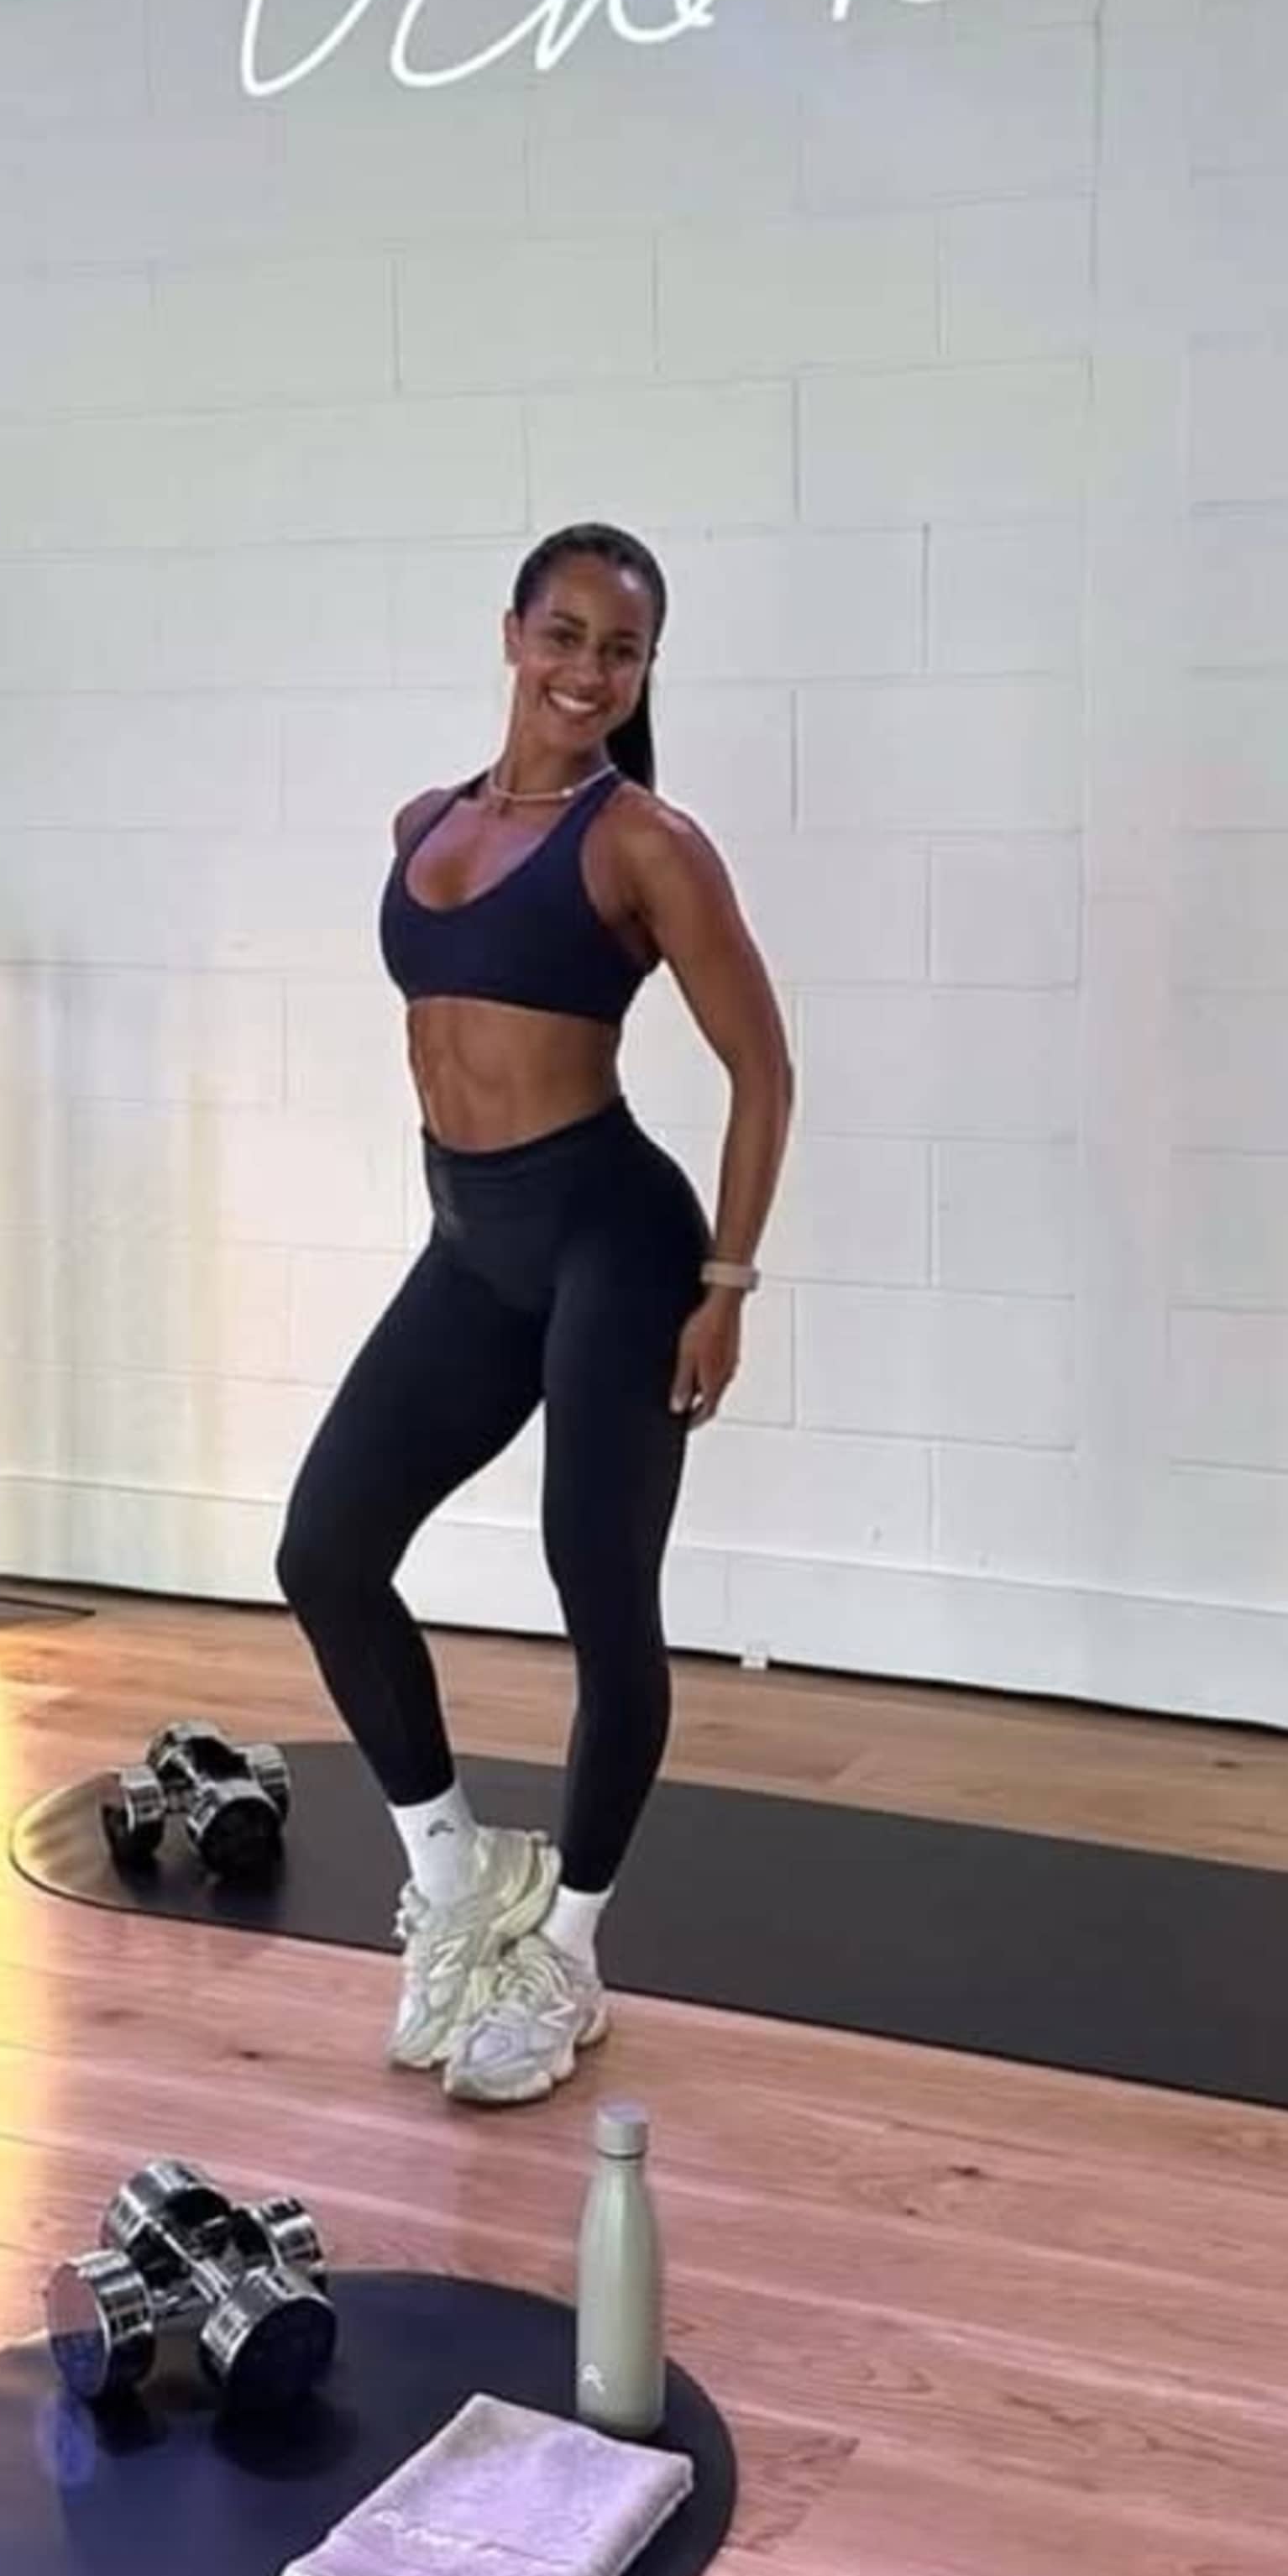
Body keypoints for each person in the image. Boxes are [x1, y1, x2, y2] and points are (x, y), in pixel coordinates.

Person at [275, 523, 794, 2106]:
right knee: (326, 1551)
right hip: (473, 1240)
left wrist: (726, 1284)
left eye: (621, 652)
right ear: (511, 634)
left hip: (617, 1243)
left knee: (597, 1591)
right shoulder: (421, 820)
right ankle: (456, 1881)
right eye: (563, 636)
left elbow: (763, 1070)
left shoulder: (647, 843)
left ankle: (566, 1954)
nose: (587, 672)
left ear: (644, 672)